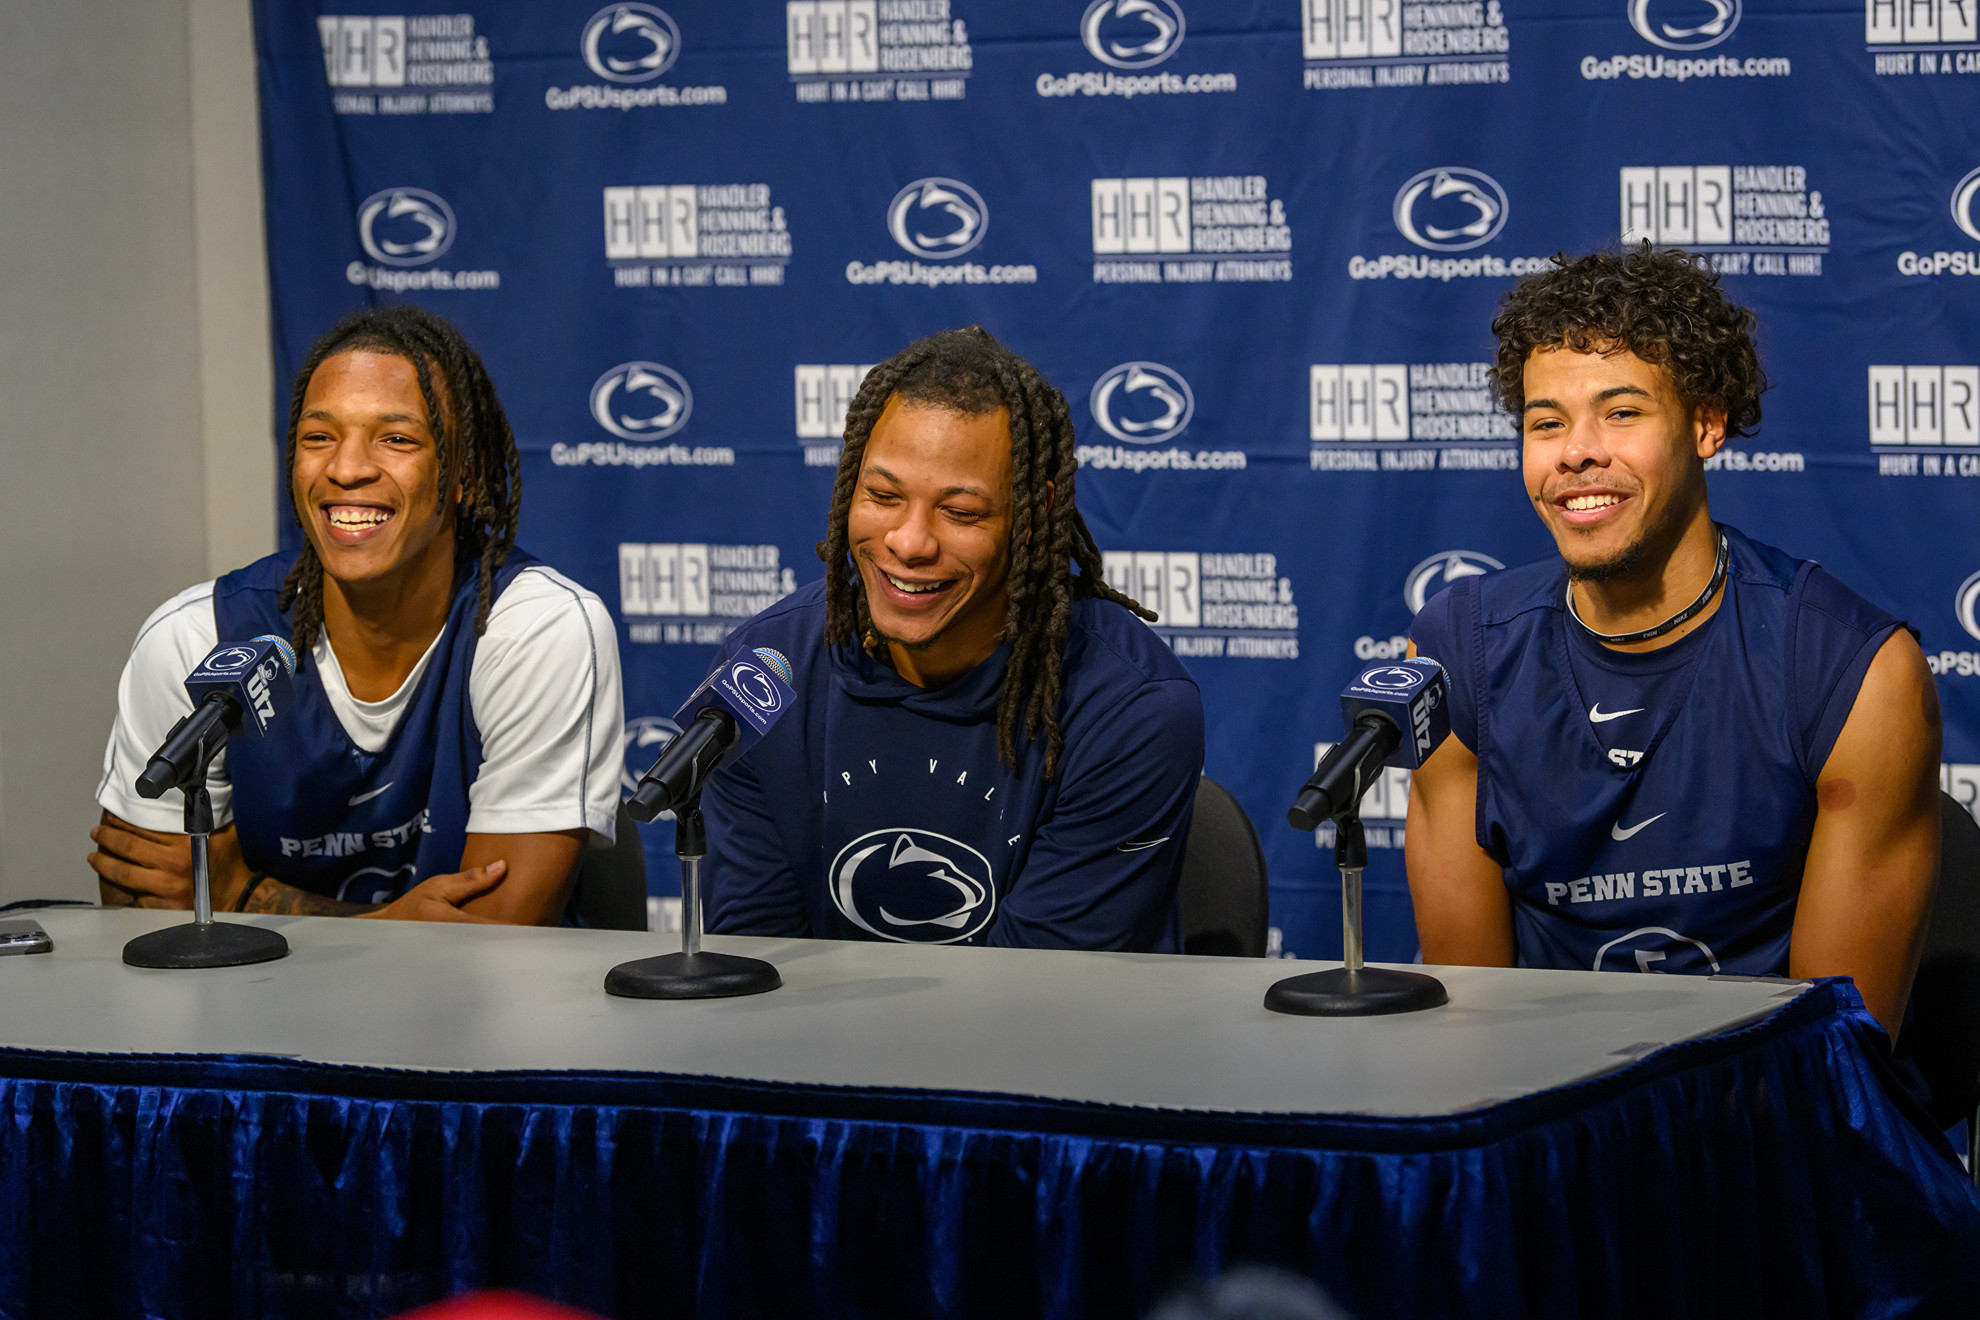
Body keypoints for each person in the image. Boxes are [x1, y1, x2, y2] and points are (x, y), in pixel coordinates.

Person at [1404, 246, 1940, 1037]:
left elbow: (1837, 1060)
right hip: (1543, 1125)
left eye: (1621, 413)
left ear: (1706, 424)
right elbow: (1470, 1032)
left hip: (1765, 1132)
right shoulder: (1457, 656)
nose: (1576, 452)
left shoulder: (1850, 667)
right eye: (1546, 423)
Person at [90, 305, 622, 924]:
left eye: (396, 439)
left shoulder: (536, 629)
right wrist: (393, 926)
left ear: (465, 477)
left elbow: (495, 936)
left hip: (482, 1020)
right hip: (250, 1017)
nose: (346, 468)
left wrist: (245, 895)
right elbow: (144, 912)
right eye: (319, 437)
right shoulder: (195, 637)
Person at [702, 327, 1204, 950]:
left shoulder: (1130, 710)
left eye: (961, 513)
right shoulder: (763, 677)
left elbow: (1044, 995)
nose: (910, 543)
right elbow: (758, 960)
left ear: (1035, 512)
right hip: (815, 1044)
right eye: (883, 496)